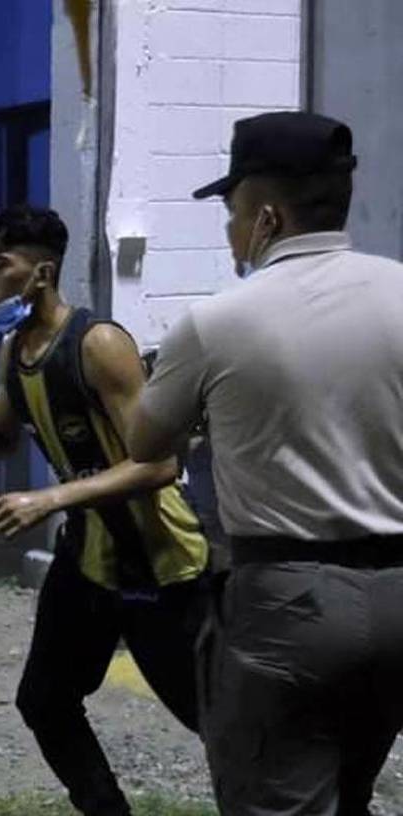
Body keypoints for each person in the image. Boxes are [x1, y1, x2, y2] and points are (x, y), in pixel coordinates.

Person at [128, 112, 403, 815]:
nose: (228, 232)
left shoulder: (217, 323)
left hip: (289, 601)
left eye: (231, 212)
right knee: (353, 789)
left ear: (267, 218)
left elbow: (145, 445)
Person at [0, 205, 209, 816]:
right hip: (89, 557)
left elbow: (158, 465)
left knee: (214, 718)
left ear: (42, 273)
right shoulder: (13, 351)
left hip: (159, 561)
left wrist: (47, 498)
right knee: (45, 699)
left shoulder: (99, 344)